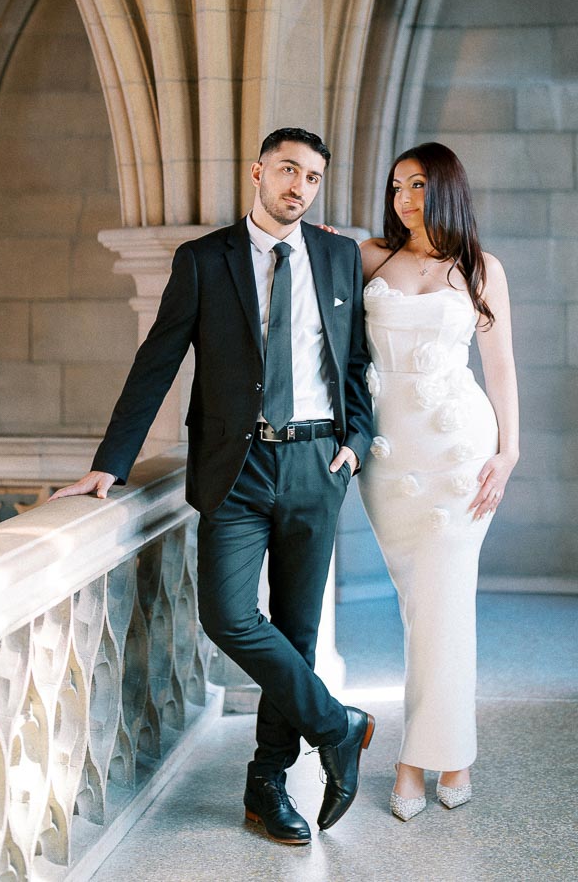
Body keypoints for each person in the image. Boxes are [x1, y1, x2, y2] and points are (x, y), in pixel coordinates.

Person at [51, 128, 375, 845]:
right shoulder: (204, 261)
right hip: (237, 467)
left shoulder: (338, 255)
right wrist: (112, 460)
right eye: (288, 169)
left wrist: (355, 444)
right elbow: (157, 361)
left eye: (314, 177)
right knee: (229, 616)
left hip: (317, 463)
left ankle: (268, 785)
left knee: (295, 632)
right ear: (257, 171)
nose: (300, 186)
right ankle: (336, 725)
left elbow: (354, 363)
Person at [356, 142, 518, 820]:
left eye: (418, 185)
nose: (404, 198)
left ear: (445, 188)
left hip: (459, 456)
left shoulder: (480, 268)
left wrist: (508, 454)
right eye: (396, 185)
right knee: (418, 608)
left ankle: (420, 761)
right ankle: (450, 751)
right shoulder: (368, 256)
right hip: (391, 463)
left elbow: (501, 367)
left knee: (444, 606)